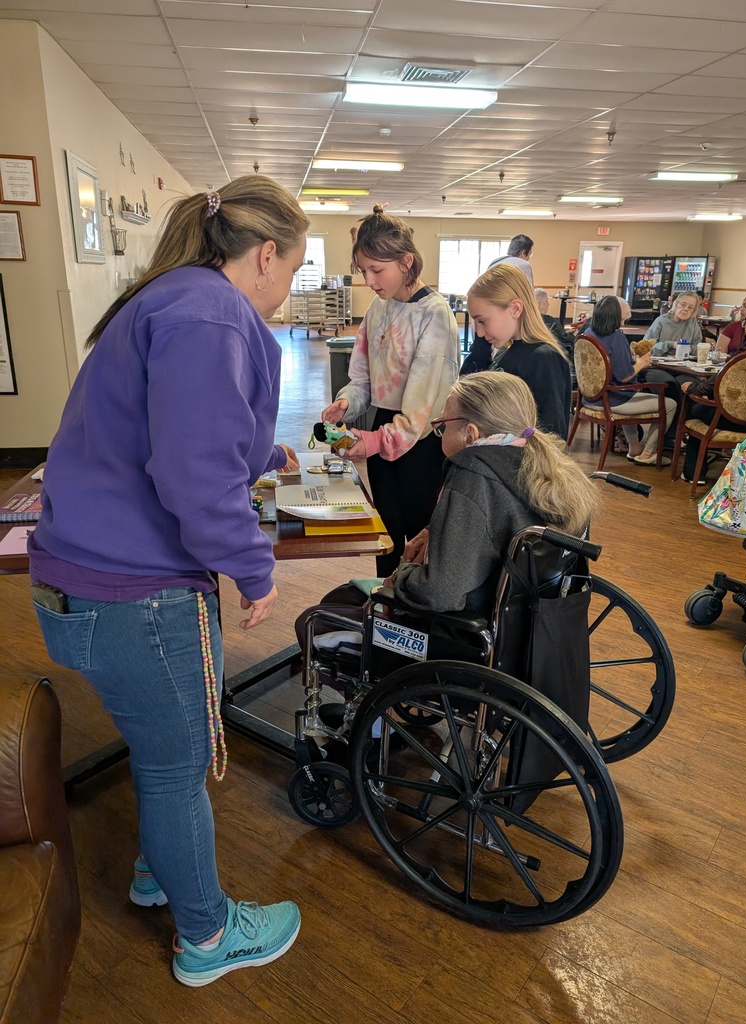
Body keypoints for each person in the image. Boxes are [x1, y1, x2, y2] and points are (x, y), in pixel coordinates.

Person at [28, 175, 308, 987]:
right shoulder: (210, 313)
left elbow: (165, 427)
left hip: (87, 579)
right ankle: (208, 936)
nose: (286, 288)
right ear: (264, 256)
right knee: (176, 768)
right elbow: (189, 470)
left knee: (162, 756)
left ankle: (160, 875)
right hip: (136, 595)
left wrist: (263, 453)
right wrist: (252, 567)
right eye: (289, 270)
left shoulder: (169, 299)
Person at [297, 370, 599, 641]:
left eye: (442, 426)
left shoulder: (472, 476)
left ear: (470, 434)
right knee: (342, 597)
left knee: (316, 621)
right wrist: (434, 529)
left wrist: (401, 574)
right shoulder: (540, 466)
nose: (439, 433)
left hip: (455, 629)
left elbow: (440, 592)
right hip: (521, 625)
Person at [321, 205, 459, 575]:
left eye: (377, 270)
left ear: (406, 262)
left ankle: (414, 620)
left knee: (416, 542)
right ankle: (386, 611)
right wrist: (346, 403)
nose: (369, 281)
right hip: (385, 429)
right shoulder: (377, 310)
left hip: (423, 440)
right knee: (386, 536)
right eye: (363, 270)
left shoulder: (434, 314)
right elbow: (364, 379)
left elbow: (421, 410)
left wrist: (371, 442)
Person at [461, 264, 572, 439]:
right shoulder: (506, 353)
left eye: (482, 321)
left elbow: (553, 437)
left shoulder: (544, 359)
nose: (480, 333)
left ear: (515, 308)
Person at [679, 303, 746, 485]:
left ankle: (693, 473)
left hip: (735, 419)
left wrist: (692, 388)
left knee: (696, 408)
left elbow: (714, 382)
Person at [582, 295, 677, 467]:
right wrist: (642, 362)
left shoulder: (587, 333)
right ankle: (648, 453)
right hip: (612, 400)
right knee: (670, 405)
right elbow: (625, 376)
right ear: (614, 318)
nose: (623, 324)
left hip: (590, 397)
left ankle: (634, 447)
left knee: (629, 392)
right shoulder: (616, 337)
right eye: (622, 320)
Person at [644, 291, 703, 356]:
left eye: (690, 307)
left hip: (685, 363)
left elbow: (699, 348)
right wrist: (669, 345)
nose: (686, 309)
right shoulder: (661, 321)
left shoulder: (692, 323)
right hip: (659, 363)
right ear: (676, 304)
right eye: (683, 305)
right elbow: (645, 349)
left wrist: (689, 349)